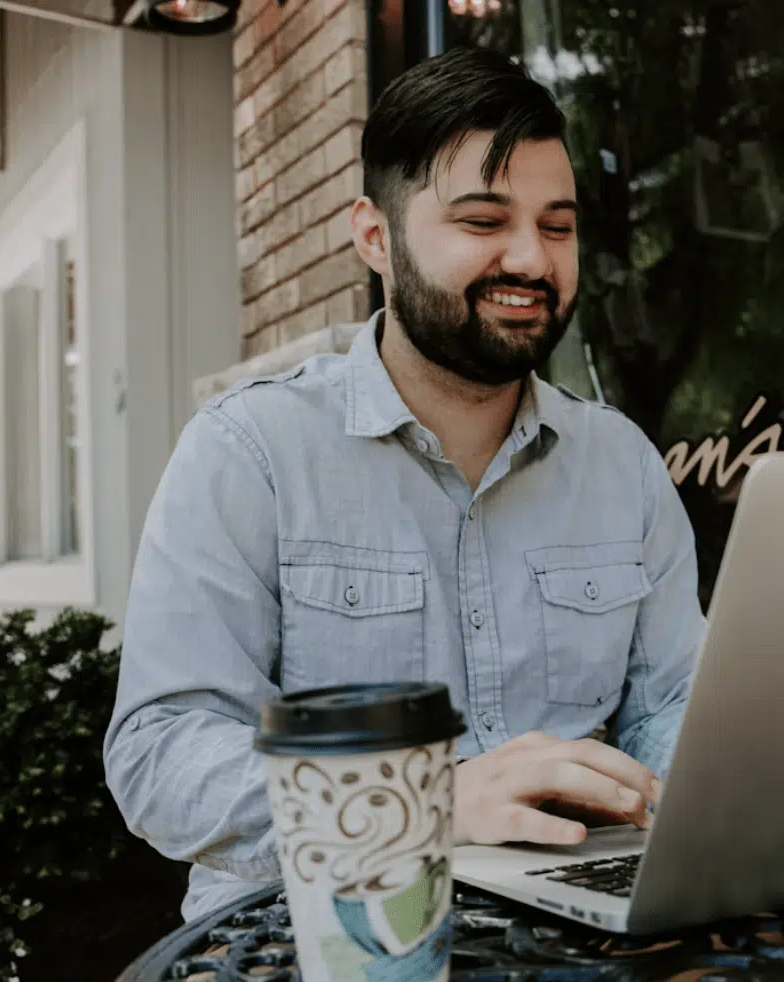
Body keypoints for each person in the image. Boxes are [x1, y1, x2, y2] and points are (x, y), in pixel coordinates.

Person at [104, 47, 706, 921]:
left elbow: (674, 705)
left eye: (558, 225)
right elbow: (161, 757)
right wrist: (426, 806)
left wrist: (702, 791)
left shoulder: (624, 465)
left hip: (574, 941)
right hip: (306, 948)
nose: (532, 261)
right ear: (375, 237)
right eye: (483, 220)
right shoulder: (249, 454)